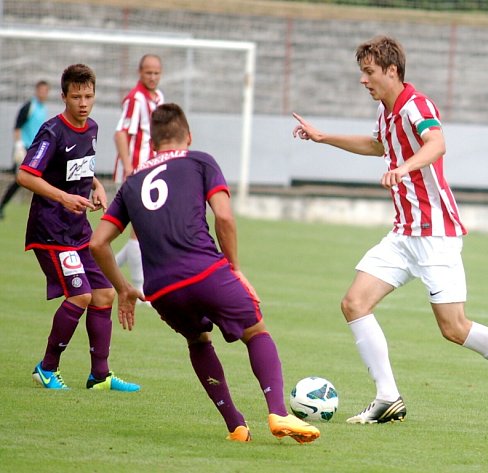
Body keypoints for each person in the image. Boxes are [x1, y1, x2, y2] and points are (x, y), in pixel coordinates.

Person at [292, 35, 488, 431]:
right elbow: (375, 144)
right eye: (361, 73)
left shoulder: (416, 105)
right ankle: (388, 398)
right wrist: (324, 137)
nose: (363, 81)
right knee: (354, 304)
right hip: (403, 234)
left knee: (454, 328)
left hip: (435, 233)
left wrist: (405, 168)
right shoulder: (387, 115)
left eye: (368, 73)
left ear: (391, 70)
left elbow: (436, 143)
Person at [90, 103, 320, 443]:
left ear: (152, 144)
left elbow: (98, 243)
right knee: (256, 331)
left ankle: (236, 426)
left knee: (197, 340)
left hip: (161, 290)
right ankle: (277, 412)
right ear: (188, 136)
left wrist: (123, 288)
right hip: (204, 271)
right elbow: (224, 217)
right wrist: (236, 269)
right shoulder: (199, 161)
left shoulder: (131, 183)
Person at [16, 64, 140, 392]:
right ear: (64, 97)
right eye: (76, 97)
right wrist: (63, 197)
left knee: (104, 293)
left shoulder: (93, 128)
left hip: (78, 229)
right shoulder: (52, 132)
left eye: (88, 96)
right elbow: (25, 175)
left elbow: (79, 170)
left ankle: (100, 376)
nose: (83, 102)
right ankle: (46, 368)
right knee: (81, 295)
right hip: (51, 231)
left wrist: (96, 186)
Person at [112, 54, 164, 295]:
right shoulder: (135, 99)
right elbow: (120, 133)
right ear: (139, 72)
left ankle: (103, 271)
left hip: (151, 173)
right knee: (140, 230)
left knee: (145, 229)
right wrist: (129, 168)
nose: (152, 77)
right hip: (135, 174)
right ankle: (141, 291)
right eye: (148, 73)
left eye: (156, 73)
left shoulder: (158, 98)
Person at [0, 80, 50, 220]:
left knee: (38, 179)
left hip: (36, 150)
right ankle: (1, 206)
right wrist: (18, 146)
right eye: (41, 90)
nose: (43, 93)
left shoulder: (43, 108)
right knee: (20, 180)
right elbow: (17, 126)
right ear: (36, 90)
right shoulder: (30, 106)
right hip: (24, 148)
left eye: (46, 91)